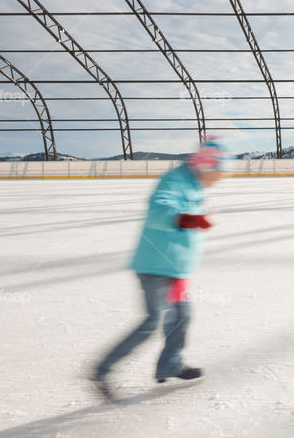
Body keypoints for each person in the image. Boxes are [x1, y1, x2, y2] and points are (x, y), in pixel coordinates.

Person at [91, 137, 232, 399]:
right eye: (218, 171)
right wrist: (186, 218)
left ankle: (171, 363)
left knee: (181, 317)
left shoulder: (197, 184)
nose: (220, 177)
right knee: (153, 321)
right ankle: (101, 370)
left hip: (176, 269)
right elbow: (157, 210)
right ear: (206, 166)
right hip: (155, 266)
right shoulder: (176, 180)